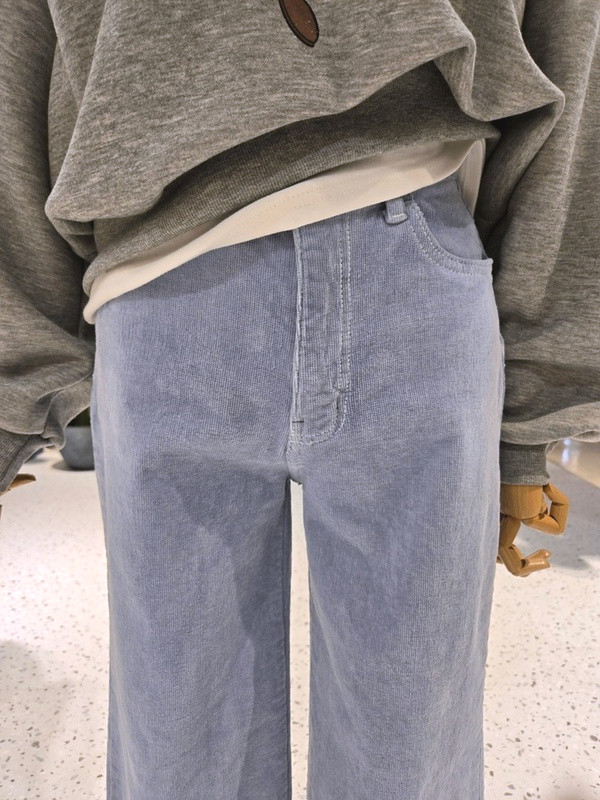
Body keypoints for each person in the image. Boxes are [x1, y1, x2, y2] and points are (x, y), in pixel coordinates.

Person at [1, 1, 598, 797]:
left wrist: (535, 408)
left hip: (204, 283)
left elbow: (565, 38)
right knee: (390, 746)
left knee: (205, 746)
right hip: (313, 271)